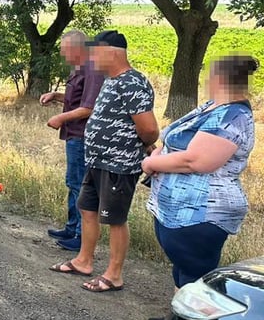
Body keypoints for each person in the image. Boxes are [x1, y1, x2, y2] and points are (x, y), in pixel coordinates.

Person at [50, 30, 158, 292]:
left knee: (115, 219)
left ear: (112, 53)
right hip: (97, 161)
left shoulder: (133, 82)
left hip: (119, 164)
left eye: (95, 53)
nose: (92, 59)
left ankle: (114, 274)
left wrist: (140, 146)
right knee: (87, 209)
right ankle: (84, 261)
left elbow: (149, 129)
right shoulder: (110, 80)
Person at [142, 54, 257, 295]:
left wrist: (152, 164)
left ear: (220, 78)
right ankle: (177, 317)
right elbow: (171, 135)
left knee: (196, 274)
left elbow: (196, 160)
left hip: (201, 211)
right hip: (177, 207)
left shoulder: (232, 116)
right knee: (182, 268)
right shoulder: (211, 106)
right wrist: (159, 153)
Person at [39, 31, 105, 251]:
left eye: (64, 49)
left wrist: (61, 118)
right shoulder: (79, 68)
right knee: (72, 182)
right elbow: (77, 99)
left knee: (79, 185)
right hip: (73, 135)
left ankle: (80, 236)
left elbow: (90, 108)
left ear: (77, 48)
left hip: (83, 136)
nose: (62, 53)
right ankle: (71, 226)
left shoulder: (93, 69)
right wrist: (56, 96)